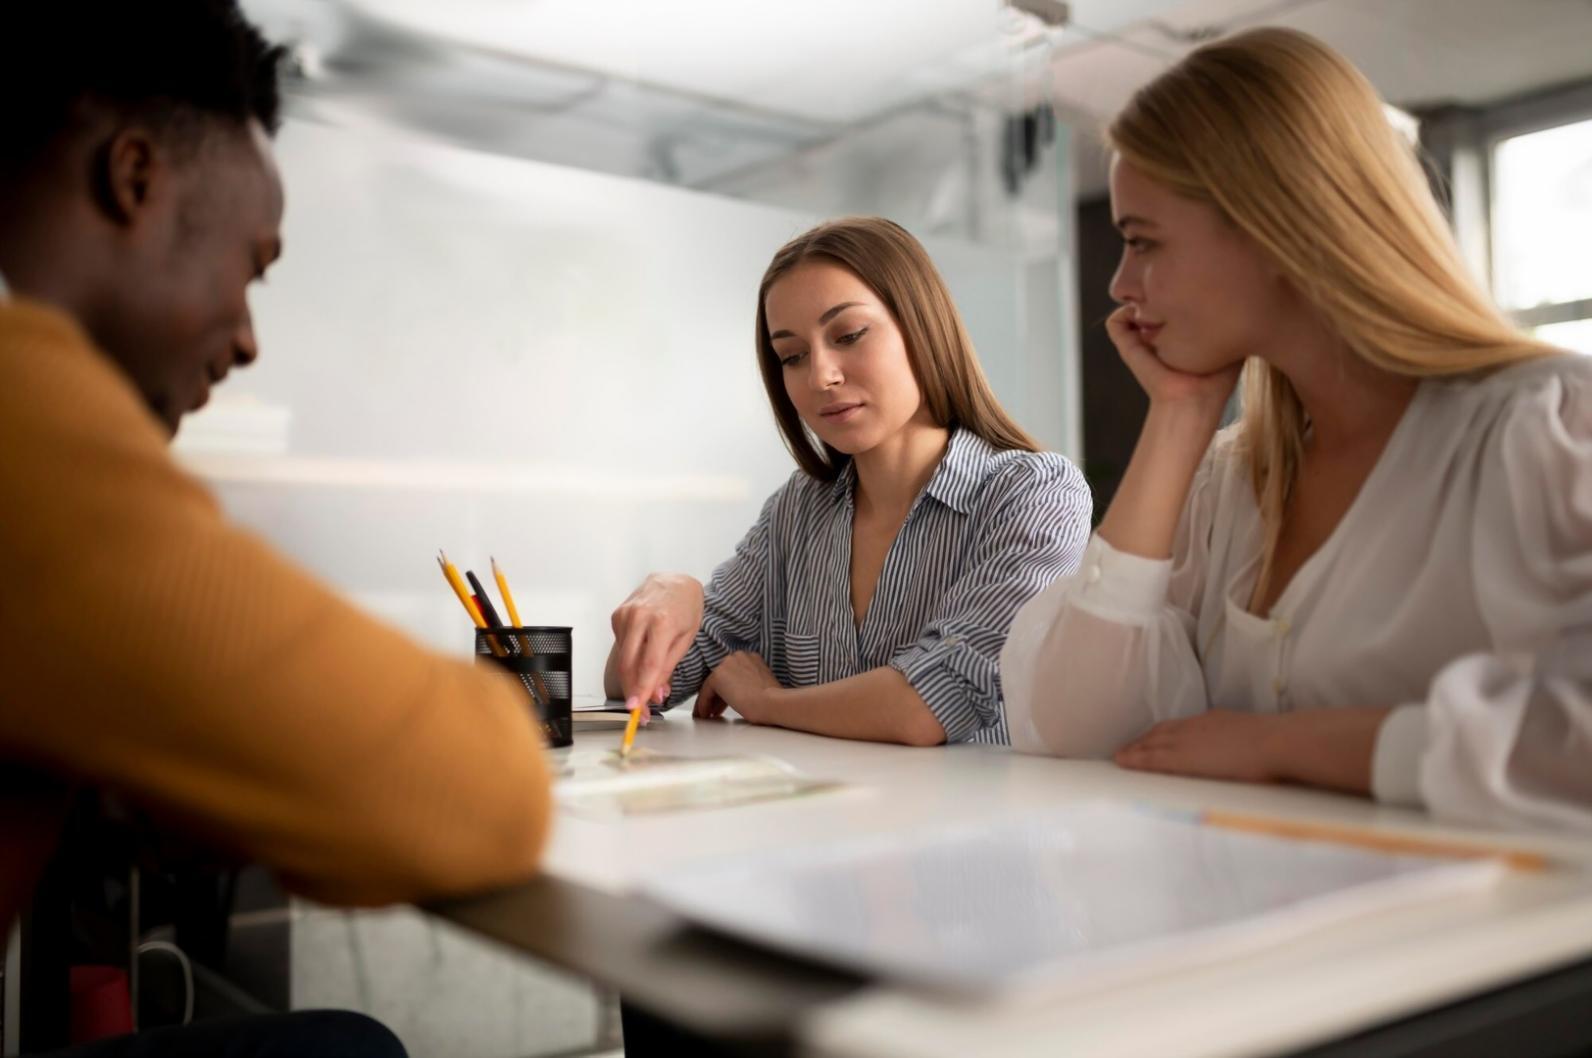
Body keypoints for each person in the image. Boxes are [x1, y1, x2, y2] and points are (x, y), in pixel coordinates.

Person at [0, 3, 554, 1053]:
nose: (250, 338)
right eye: (251, 266)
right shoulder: (23, 413)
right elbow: (482, 789)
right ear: (133, 179)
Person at [1000, 27, 1592, 832]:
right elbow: (1079, 727)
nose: (1118, 283)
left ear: (1276, 228)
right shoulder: (1230, 478)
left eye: (1142, 241)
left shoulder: (1540, 427)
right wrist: (1177, 417)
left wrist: (1286, 745)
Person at [606, 217, 1091, 746]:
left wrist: (769, 703)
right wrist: (674, 596)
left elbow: (928, 706)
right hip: (822, 825)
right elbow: (643, 689)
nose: (821, 377)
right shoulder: (797, 510)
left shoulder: (1035, 493)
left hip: (972, 826)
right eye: (792, 356)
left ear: (922, 326)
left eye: (849, 335)